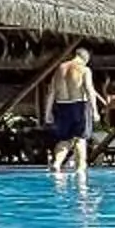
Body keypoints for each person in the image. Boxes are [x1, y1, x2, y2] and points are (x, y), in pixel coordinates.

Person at [45, 46, 97, 175]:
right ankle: (80, 169)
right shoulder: (84, 69)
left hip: (61, 105)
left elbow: (51, 92)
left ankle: (57, 163)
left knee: (64, 139)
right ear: (85, 58)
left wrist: (48, 113)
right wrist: (95, 110)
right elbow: (89, 90)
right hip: (79, 105)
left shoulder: (59, 69)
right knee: (80, 139)